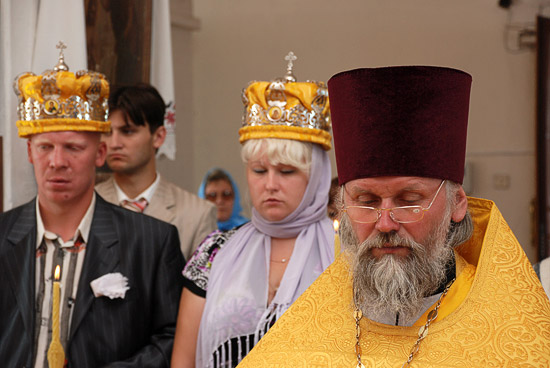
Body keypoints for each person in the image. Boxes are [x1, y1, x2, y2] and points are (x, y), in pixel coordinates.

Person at [238, 66, 550, 367]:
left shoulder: (512, 333)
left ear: (457, 203)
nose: (385, 223)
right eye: (366, 201)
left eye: (409, 201)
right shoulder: (304, 330)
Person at [0, 49, 184, 366]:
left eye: (73, 148)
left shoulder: (151, 241)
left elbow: (175, 338)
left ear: (100, 154)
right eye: (45, 147)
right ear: (30, 152)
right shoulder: (3, 236)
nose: (57, 162)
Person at [171, 53, 335, 368]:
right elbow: (184, 360)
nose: (270, 184)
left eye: (286, 172)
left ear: (315, 177)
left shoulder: (347, 254)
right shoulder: (214, 251)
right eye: (259, 171)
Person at [95, 83, 217, 260]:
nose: (114, 143)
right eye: (107, 132)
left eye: (127, 131)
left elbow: (201, 286)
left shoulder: (196, 214)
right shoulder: (88, 203)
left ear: (159, 137)